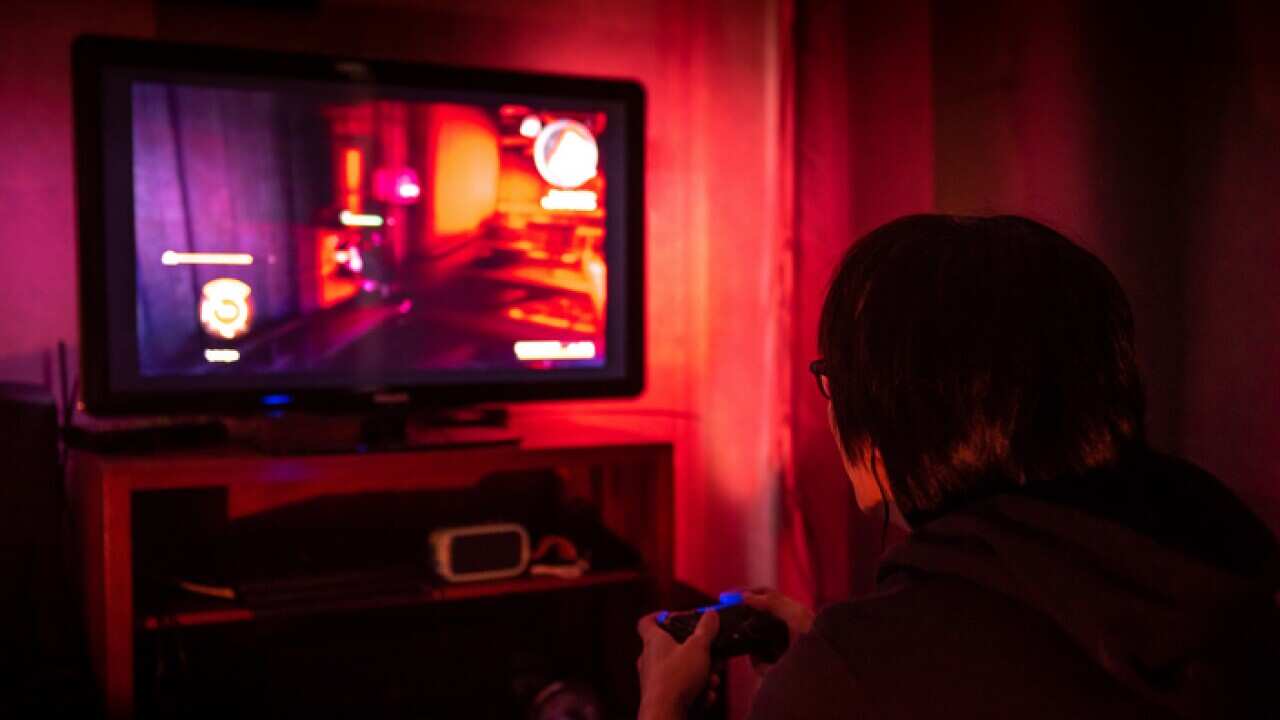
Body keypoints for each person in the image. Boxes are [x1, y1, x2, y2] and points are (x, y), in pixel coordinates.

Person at [635, 214, 1280, 719]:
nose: (833, 409)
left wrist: (664, 708)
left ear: (907, 410)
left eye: (838, 378)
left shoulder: (852, 676)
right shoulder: (1231, 560)